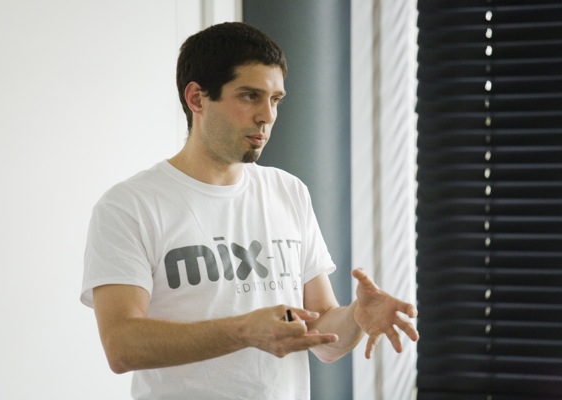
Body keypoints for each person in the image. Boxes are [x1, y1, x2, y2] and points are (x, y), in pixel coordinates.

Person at [81, 21, 419, 400]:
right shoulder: (130, 205)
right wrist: (244, 331)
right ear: (197, 99)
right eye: (249, 96)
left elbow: (321, 333)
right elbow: (122, 345)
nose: (267, 116)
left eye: (275, 100)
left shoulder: (288, 191)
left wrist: (356, 315)